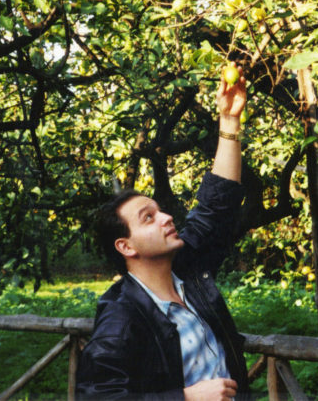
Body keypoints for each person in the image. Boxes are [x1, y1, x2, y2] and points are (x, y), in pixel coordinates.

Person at [76, 66, 249, 400]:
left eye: (160, 211)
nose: (167, 218)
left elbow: (216, 207)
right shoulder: (121, 319)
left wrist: (229, 124)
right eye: (148, 218)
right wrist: (185, 398)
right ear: (125, 246)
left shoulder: (187, 272)